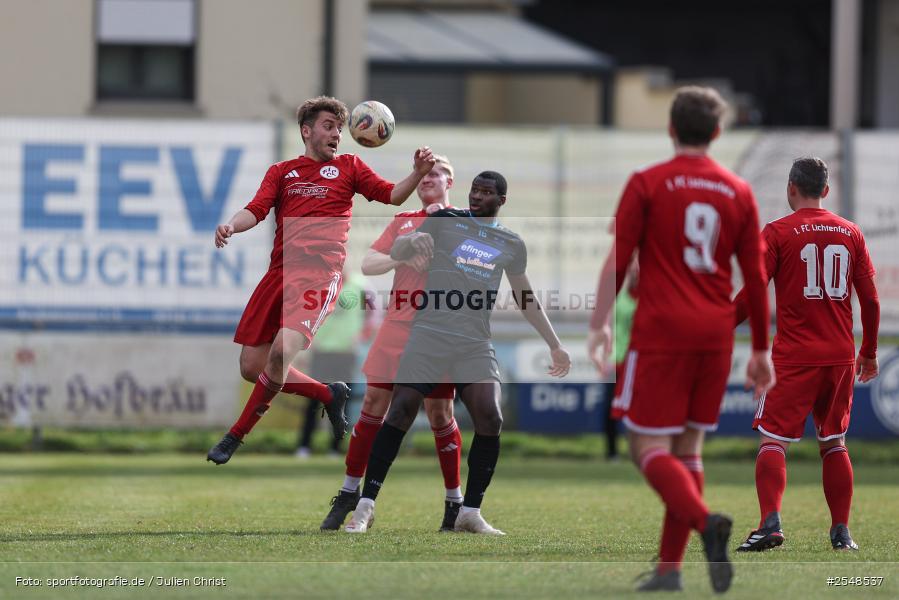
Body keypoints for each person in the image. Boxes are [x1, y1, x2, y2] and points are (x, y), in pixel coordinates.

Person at [587, 86, 774, 593]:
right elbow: (755, 277)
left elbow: (620, 258)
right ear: (717, 132)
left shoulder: (648, 182)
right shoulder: (738, 190)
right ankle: (670, 570)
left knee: (645, 444)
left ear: (671, 129)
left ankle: (703, 520)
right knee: (689, 447)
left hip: (662, 332)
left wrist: (600, 321)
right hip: (716, 336)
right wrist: (759, 349)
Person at [206, 96, 435, 465]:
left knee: (281, 354)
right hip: (279, 275)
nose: (336, 136)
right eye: (329, 127)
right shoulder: (282, 172)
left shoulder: (350, 167)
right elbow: (256, 209)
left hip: (319, 275)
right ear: (307, 131)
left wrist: (418, 173)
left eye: (339, 129)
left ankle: (235, 435)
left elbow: (392, 196)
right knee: (252, 368)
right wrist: (231, 225)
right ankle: (330, 396)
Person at [344, 171, 571, 535]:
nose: (478, 196)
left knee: (491, 416)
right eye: (475, 190)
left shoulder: (511, 243)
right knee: (400, 411)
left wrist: (555, 343)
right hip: (429, 335)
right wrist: (410, 242)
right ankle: (365, 507)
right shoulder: (444, 221)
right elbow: (397, 251)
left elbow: (524, 298)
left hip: (473, 343)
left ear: (502, 201)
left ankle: (469, 512)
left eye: (486, 192)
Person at [732, 157, 880, 553]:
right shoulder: (851, 232)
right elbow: (870, 300)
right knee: (834, 442)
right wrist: (868, 351)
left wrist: (721, 324)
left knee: (773, 441)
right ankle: (842, 532)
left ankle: (770, 524)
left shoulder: (778, 232)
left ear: (790, 188)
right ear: (826, 191)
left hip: (794, 357)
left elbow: (753, 291)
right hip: (839, 357)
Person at [319, 155, 467, 532]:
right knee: (372, 403)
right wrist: (400, 252)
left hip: (439, 329)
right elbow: (369, 264)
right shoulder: (403, 222)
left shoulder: (464, 221)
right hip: (397, 325)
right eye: (422, 175)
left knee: (439, 413)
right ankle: (350, 493)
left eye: (435, 174)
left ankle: (454, 502)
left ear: (450, 180)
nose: (427, 179)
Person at [296, 273, 374, 459]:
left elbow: (373, 313)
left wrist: (363, 335)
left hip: (345, 352)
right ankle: (304, 446)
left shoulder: (360, 285)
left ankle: (335, 447)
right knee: (313, 401)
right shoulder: (319, 284)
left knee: (342, 402)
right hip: (322, 351)